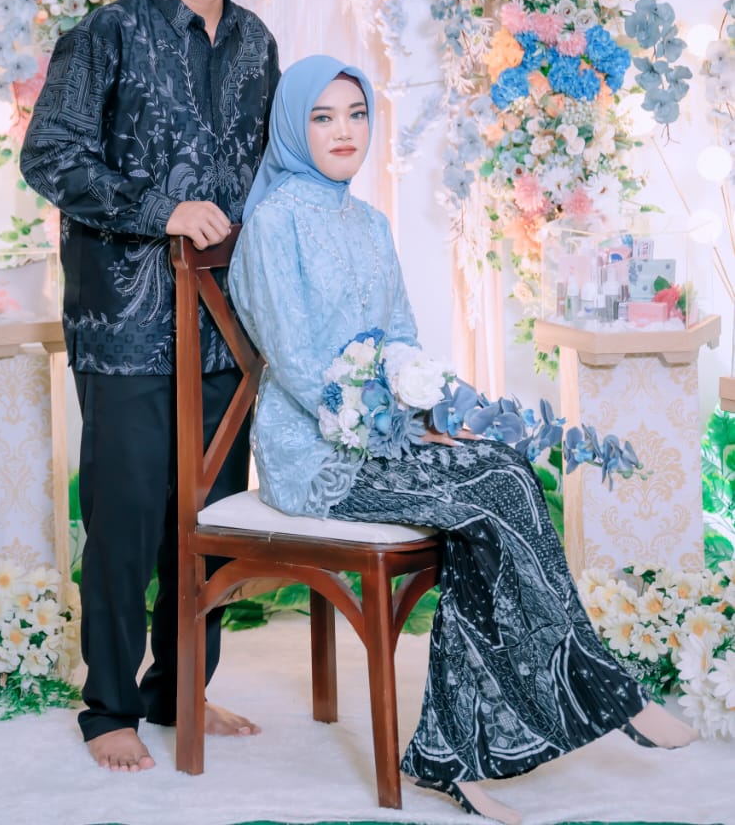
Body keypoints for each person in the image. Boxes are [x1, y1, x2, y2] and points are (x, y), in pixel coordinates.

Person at [227, 54, 697, 824]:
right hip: (316, 453)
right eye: (322, 116)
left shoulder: (368, 222)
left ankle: (455, 754)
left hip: (387, 430)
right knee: (489, 490)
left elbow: (400, 334)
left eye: (356, 114)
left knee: (504, 467)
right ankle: (602, 695)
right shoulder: (275, 223)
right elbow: (301, 363)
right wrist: (383, 424)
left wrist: (429, 409)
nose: (344, 131)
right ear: (291, 127)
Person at [20, 0, 279, 772]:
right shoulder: (107, 33)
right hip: (125, 325)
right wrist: (157, 208)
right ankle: (109, 708)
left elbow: (270, 173)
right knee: (127, 522)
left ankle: (180, 694)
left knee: (207, 524)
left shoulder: (257, 43)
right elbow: (49, 155)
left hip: (223, 330)